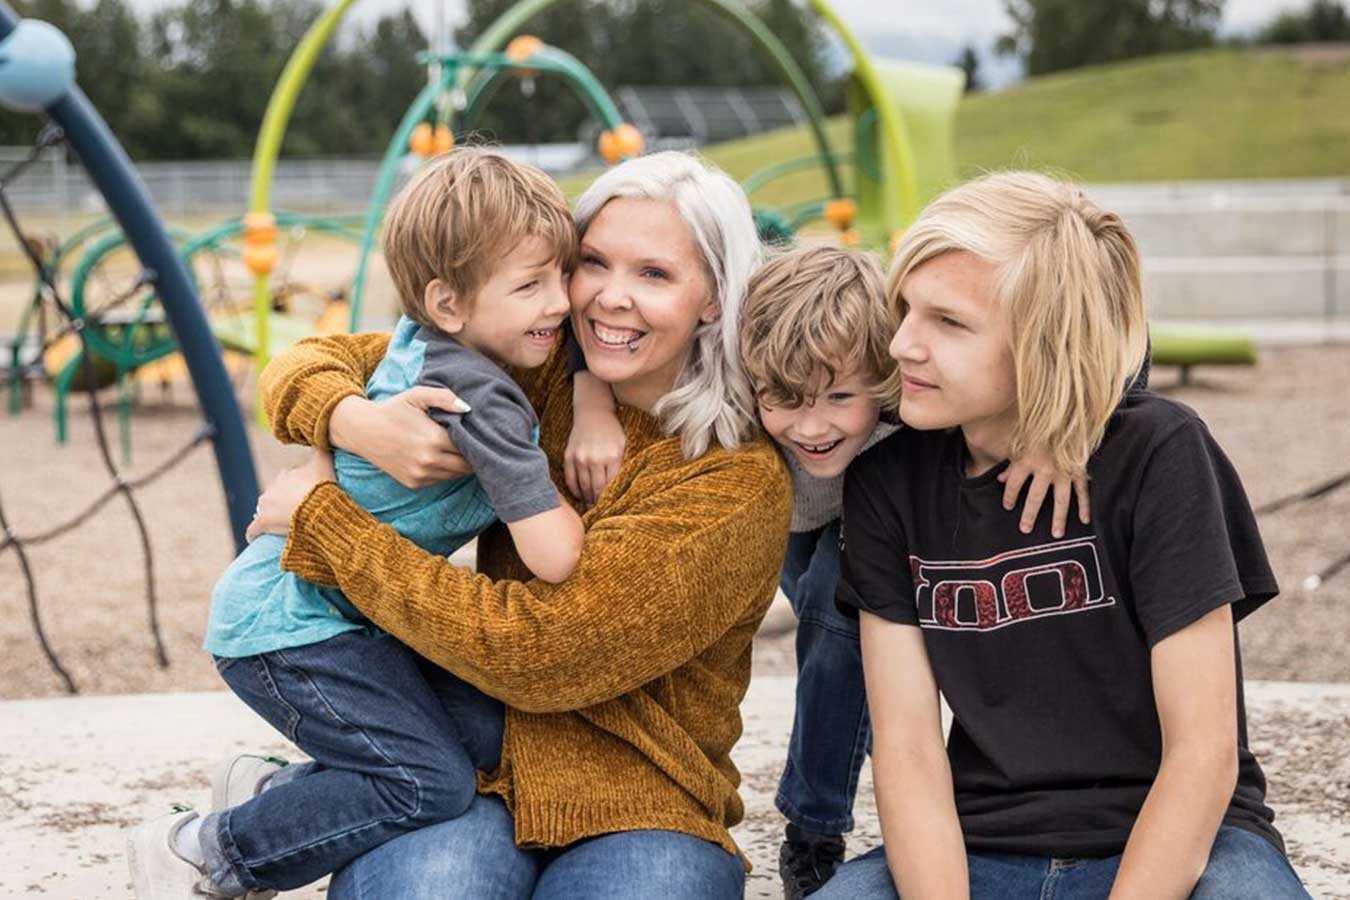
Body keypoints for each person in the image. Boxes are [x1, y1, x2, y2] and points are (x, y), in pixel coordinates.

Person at [240, 150, 791, 899]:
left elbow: (546, 652)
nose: (607, 299)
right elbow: (309, 361)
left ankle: (298, 789)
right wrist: (355, 422)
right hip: (476, 769)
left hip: (645, 796)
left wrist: (326, 524)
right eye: (592, 262)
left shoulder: (730, 480)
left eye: (654, 275)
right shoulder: (525, 364)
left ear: (715, 299)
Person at [819, 171, 1311, 899]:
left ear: (1045, 343)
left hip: (1180, 841)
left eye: (948, 323)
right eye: (905, 309)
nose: (901, 345)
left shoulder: (1157, 454)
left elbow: (1202, 755)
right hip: (977, 840)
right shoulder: (888, 482)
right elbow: (911, 752)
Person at [569, 243, 1094, 898]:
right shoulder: (739, 373)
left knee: (833, 613)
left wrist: (1053, 432)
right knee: (840, 666)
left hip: (871, 518)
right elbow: (598, 348)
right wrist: (589, 403)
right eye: (787, 399)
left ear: (882, 376)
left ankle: (813, 828)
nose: (812, 425)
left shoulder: (904, 385)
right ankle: (845, 812)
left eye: (841, 397)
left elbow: (1100, 337)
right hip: (789, 521)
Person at [126, 148, 584, 899]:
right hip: (291, 628)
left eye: (562, 275)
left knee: (463, 744)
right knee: (428, 783)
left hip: (325, 612)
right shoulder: (481, 400)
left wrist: (589, 402)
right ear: (448, 303)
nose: (561, 303)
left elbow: (329, 361)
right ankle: (205, 852)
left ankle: (271, 795)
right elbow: (557, 557)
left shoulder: (425, 344)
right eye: (532, 284)